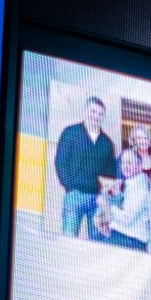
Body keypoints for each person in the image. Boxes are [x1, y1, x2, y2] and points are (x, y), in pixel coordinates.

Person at [50, 97, 116, 238]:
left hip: (97, 200)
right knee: (68, 239)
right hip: (75, 195)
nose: (96, 116)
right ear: (85, 111)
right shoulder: (71, 133)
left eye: (100, 114)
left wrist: (104, 196)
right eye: (93, 111)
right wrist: (69, 187)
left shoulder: (107, 143)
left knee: (97, 243)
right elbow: (60, 162)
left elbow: (110, 175)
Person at [98, 158, 151, 252]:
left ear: (139, 166)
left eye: (130, 162)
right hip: (118, 235)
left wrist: (107, 206)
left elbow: (126, 218)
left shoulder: (140, 188)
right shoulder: (126, 184)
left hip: (130, 240)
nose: (126, 166)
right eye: (123, 163)